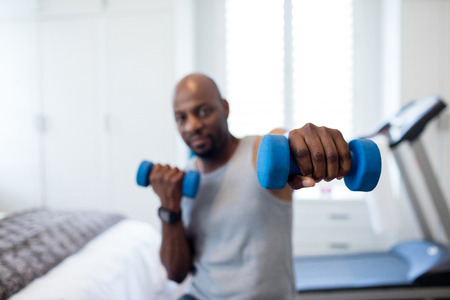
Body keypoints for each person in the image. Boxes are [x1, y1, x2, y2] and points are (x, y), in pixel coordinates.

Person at [149, 73, 351, 300]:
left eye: (203, 111)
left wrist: (299, 140)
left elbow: (283, 140)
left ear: (224, 108)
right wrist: (169, 207)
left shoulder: (259, 154)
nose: (192, 126)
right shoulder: (182, 180)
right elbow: (176, 274)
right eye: (181, 118)